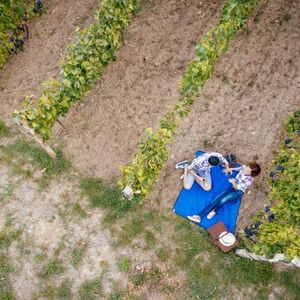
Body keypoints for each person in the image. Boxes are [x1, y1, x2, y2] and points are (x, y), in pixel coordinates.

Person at [187, 162, 261, 223]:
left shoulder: (249, 181)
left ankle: (214, 211)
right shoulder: (245, 168)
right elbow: (240, 168)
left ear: (252, 174)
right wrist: (229, 169)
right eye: (248, 167)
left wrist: (232, 181)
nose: (246, 169)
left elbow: (237, 188)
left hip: (238, 191)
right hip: (233, 185)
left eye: (249, 170)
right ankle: (199, 216)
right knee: (215, 200)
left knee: (223, 200)